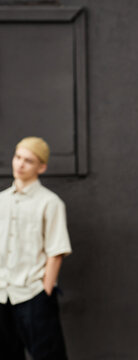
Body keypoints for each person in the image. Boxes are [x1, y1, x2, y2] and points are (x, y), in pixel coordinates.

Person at [0, 137, 72, 359]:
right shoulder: (1, 201)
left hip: (33, 294)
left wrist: (45, 290)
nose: (20, 164)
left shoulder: (50, 203)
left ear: (42, 167)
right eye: (18, 157)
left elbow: (56, 251)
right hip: (2, 294)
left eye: (28, 161)